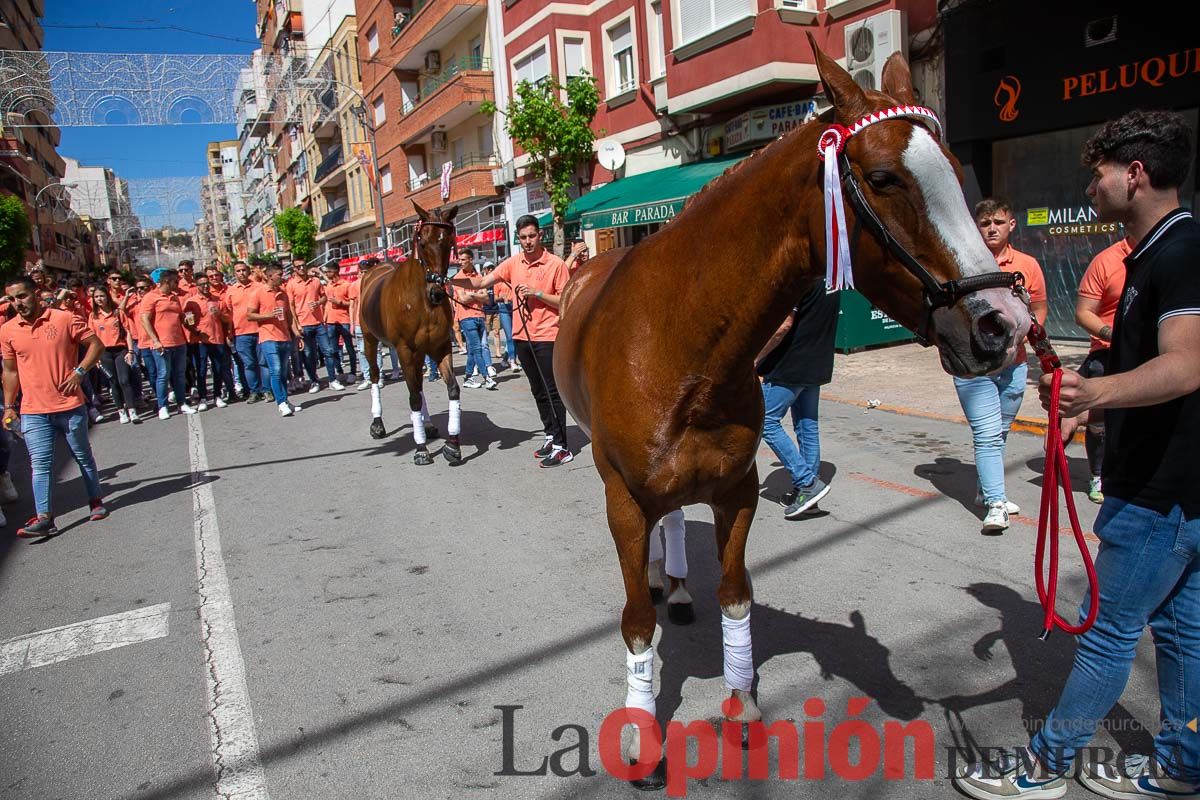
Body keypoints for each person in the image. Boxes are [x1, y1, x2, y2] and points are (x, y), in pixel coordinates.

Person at [954, 109, 1200, 800]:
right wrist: (1079, 379)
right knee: (1181, 632)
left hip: (1161, 488)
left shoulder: (1178, 253)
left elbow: (1186, 366)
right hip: (1177, 489)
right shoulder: (1150, 255)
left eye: (1098, 175)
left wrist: (1095, 396)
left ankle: (1044, 768)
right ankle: (1183, 763)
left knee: (1107, 630)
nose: (1091, 188)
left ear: (1137, 174)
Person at [954, 197, 1047, 533]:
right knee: (988, 433)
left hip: (1014, 364)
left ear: (1011, 225)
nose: (991, 229)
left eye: (998, 222)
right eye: (984, 223)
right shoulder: (962, 263)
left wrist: (1025, 341)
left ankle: (985, 490)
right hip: (974, 366)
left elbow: (1038, 309)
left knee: (1000, 432)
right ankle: (996, 505)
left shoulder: (1027, 265)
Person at [451, 214, 571, 466]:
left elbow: (566, 299)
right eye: (523, 237)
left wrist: (538, 294)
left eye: (532, 236)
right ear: (519, 238)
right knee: (538, 391)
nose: (528, 241)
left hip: (548, 336)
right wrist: (449, 279)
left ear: (540, 235)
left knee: (552, 392)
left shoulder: (556, 264)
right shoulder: (513, 263)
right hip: (520, 336)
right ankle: (550, 435)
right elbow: (481, 281)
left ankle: (562, 446)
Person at [2, 275, 109, 537]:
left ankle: (95, 500)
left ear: (36, 293)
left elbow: (96, 345)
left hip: (69, 405)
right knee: (40, 464)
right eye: (13, 299)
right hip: (33, 410)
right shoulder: (8, 330)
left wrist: (80, 372)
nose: (19, 303)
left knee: (82, 456)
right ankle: (45, 518)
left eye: (23, 296)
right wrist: (8, 406)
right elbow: (10, 371)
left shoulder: (63, 318)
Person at [755, 283, 839, 519]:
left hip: (791, 365)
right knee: (807, 426)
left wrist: (755, 359)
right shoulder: (831, 278)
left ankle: (807, 483)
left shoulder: (802, 278)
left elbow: (783, 326)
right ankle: (808, 494)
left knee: (765, 420)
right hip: (817, 362)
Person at [1074, 237, 1130, 505]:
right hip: (1106, 352)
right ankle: (1097, 474)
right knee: (1100, 423)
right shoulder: (1106, 260)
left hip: (1153, 354)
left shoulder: (1169, 253)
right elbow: (1084, 313)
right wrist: (1113, 334)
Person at [140, 268, 196, 419]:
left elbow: (179, 317)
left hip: (179, 341)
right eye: (175, 282)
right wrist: (155, 340)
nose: (177, 285)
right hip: (162, 343)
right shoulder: (151, 297)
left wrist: (187, 320)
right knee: (163, 375)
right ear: (166, 281)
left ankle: (181, 403)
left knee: (179, 374)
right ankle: (162, 406)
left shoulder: (174, 297)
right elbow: (144, 319)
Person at [249, 263, 304, 416]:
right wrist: (268, 316)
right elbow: (250, 315)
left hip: (285, 337)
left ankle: (285, 400)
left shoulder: (283, 293)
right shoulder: (258, 292)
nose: (282, 277)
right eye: (279, 274)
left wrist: (297, 335)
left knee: (284, 372)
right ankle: (280, 403)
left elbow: (290, 317)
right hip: (268, 337)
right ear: (269, 276)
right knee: (276, 370)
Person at [287, 260, 343, 393]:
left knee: (328, 351)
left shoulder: (315, 281)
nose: (301, 268)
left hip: (318, 323)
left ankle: (332, 380)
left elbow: (324, 297)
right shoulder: (291, 284)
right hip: (304, 324)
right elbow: (291, 307)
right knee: (309, 355)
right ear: (294, 269)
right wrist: (297, 325)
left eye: (303, 265)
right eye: (298, 266)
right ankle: (314, 381)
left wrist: (318, 303)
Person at [87, 284, 139, 424]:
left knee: (124, 380)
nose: (99, 299)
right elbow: (92, 338)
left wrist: (130, 351)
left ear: (107, 297)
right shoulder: (93, 316)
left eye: (102, 296)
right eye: (96, 297)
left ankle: (131, 410)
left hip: (120, 350)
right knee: (113, 381)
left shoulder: (118, 312)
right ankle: (121, 411)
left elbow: (127, 332)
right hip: (104, 352)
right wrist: (95, 357)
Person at [185, 275, 233, 410]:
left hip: (217, 338)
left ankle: (217, 395)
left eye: (207, 284)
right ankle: (203, 398)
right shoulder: (191, 301)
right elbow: (187, 321)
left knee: (218, 368)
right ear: (196, 286)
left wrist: (219, 314)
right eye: (202, 284)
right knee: (201, 369)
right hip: (200, 340)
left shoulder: (218, 300)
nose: (205, 287)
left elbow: (227, 319)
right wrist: (195, 329)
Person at [453, 250, 497, 390]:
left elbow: (486, 298)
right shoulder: (458, 278)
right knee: (477, 348)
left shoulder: (478, 276)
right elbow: (463, 299)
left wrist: (471, 294)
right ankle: (487, 378)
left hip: (479, 315)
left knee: (473, 349)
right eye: (459, 260)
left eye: (463, 260)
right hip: (466, 317)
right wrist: (476, 294)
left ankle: (467, 377)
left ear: (471, 260)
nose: (460, 262)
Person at [225, 261, 266, 403]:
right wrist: (229, 332)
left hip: (261, 330)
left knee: (263, 362)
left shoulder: (259, 287)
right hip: (241, 333)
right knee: (248, 364)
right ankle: (254, 391)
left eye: (243, 270)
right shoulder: (231, 290)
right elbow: (229, 313)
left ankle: (266, 390)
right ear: (234, 273)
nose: (241, 273)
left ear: (248, 271)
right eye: (238, 271)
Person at [322, 263, 357, 381]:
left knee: (349, 347)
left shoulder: (346, 285)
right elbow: (327, 303)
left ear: (336, 271)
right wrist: (325, 318)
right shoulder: (329, 285)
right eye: (326, 272)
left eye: (328, 272)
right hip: (331, 321)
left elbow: (352, 303)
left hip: (344, 320)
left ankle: (353, 372)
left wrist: (340, 303)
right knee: (334, 349)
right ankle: (340, 372)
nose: (326, 274)